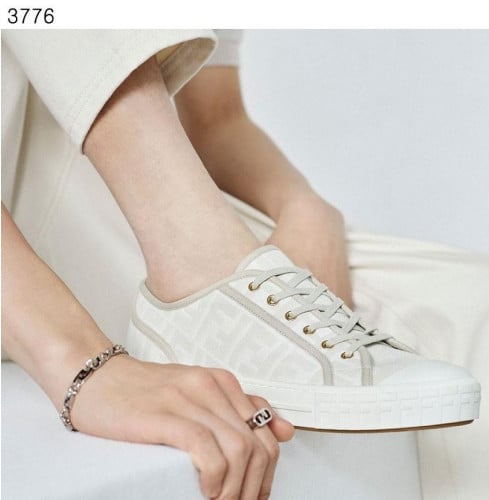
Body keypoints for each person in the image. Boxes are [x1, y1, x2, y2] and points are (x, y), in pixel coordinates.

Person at [2, 29, 487, 500]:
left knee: (469, 307)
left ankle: (208, 268)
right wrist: (78, 363)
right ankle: (203, 274)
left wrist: (307, 209)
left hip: (125, 192)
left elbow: (217, 118)